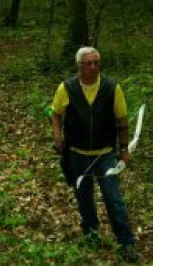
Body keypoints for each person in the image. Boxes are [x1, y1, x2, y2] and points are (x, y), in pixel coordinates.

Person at [51, 47, 138, 263]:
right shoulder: (67, 88)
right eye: (88, 63)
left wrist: (124, 150)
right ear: (79, 65)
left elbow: (122, 121)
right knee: (84, 198)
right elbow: (56, 114)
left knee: (113, 198)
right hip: (77, 154)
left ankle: (126, 242)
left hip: (105, 155)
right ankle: (91, 235)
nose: (93, 67)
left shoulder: (111, 88)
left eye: (96, 63)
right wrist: (57, 136)